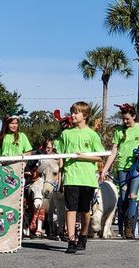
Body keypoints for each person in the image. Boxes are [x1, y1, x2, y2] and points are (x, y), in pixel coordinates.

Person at [58, 101, 104, 253]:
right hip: (71, 177)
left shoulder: (92, 135)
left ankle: (83, 235)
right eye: (72, 112)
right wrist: (60, 177)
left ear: (85, 115)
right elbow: (61, 156)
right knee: (70, 209)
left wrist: (83, 156)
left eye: (76, 112)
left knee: (85, 210)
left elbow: (100, 157)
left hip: (87, 179)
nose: (72, 115)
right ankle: (71, 239)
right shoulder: (66, 134)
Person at [101, 104, 139, 238]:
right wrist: (105, 169)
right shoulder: (119, 131)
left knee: (132, 195)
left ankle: (130, 228)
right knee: (123, 196)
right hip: (122, 166)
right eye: (123, 119)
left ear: (134, 116)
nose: (125, 121)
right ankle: (122, 225)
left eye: (127, 119)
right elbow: (113, 152)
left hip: (137, 166)